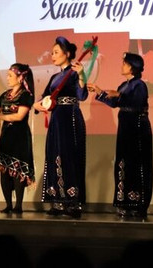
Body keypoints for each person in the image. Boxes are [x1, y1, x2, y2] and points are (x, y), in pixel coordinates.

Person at [88, 52, 153, 220]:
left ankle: (138, 204)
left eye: (124, 63)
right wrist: (100, 92)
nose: (121, 66)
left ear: (132, 66)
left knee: (137, 164)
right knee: (123, 163)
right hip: (125, 128)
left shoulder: (139, 85)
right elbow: (115, 103)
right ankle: (124, 202)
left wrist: (119, 95)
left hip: (138, 128)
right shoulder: (124, 85)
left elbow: (136, 103)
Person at [32, 35, 88, 218]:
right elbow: (44, 97)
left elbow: (82, 95)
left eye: (56, 52)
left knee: (70, 156)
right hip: (56, 119)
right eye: (52, 52)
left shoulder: (74, 73)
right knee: (54, 155)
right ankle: (58, 200)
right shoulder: (55, 77)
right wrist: (37, 105)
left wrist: (81, 75)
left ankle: (73, 203)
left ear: (68, 54)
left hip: (70, 117)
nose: (52, 55)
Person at [0, 63, 36, 214]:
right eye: (8, 75)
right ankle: (8, 205)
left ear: (20, 77)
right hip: (6, 136)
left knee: (17, 170)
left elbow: (19, 116)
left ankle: (18, 205)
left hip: (19, 137)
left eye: (11, 76)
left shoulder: (26, 95)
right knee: (4, 170)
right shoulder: (5, 95)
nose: (8, 78)